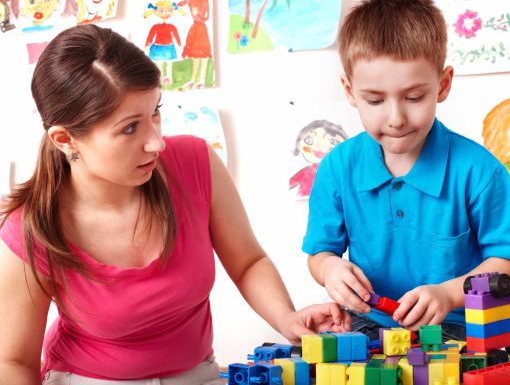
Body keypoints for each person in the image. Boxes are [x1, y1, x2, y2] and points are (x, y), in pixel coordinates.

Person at [0, 24, 350, 384]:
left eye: (155, 111)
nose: (157, 142)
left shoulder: (195, 162)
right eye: (130, 128)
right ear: (65, 139)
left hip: (198, 374)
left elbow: (248, 262)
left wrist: (286, 317)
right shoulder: (30, 229)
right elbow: (12, 363)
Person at [302, 0, 510, 341]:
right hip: (371, 323)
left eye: (414, 97)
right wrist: (330, 269)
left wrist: (449, 293)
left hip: (460, 324)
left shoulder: (479, 171)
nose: (396, 118)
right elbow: (320, 254)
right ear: (350, 91)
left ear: (442, 85)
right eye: (375, 100)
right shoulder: (337, 168)